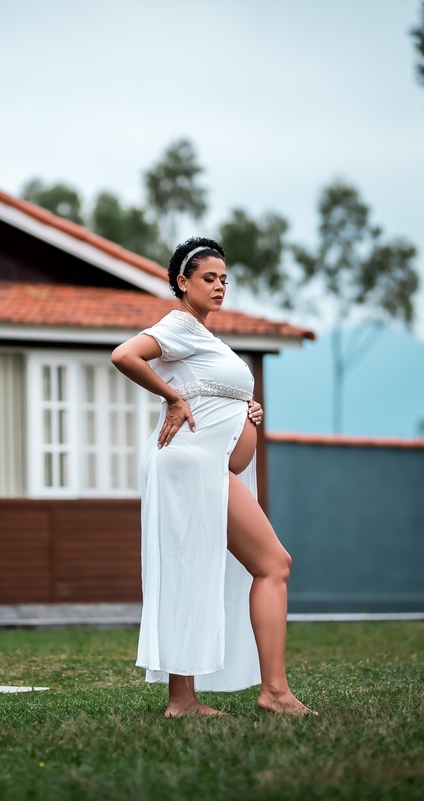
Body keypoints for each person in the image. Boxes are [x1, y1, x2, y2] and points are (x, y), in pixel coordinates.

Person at [111, 237, 313, 717]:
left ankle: (184, 701)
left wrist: (247, 413)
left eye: (224, 279)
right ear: (183, 283)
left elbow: (228, 432)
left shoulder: (204, 338)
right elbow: (124, 355)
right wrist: (174, 400)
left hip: (206, 465)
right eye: (209, 278)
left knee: (200, 571)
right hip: (188, 464)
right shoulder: (178, 325)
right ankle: (275, 692)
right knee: (273, 563)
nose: (220, 286)